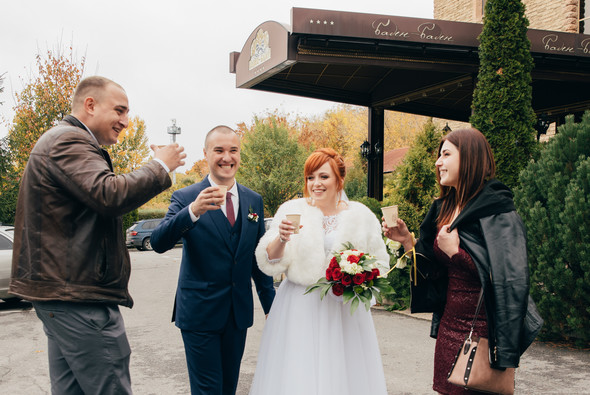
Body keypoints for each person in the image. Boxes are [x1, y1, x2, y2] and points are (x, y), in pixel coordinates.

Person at [9, 75, 186, 394]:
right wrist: (160, 166)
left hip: (64, 295)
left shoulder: (61, 141)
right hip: (78, 298)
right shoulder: (69, 141)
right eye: (119, 110)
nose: (126, 121)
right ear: (90, 105)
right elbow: (110, 194)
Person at [383, 128, 543, 394]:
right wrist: (407, 242)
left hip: (483, 330)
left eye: (446, 154)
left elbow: (509, 279)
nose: (438, 162)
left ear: (468, 158)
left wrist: (456, 253)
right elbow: (434, 271)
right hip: (449, 326)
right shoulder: (443, 207)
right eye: (439, 156)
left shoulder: (498, 210)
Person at [249, 148, 389, 395]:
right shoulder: (292, 209)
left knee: (346, 375)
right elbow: (271, 261)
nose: (316, 183)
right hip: (299, 305)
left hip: (345, 309)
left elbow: (379, 263)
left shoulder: (361, 215)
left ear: (339, 179)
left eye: (323, 176)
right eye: (310, 177)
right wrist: (281, 238)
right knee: (298, 374)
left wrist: (358, 277)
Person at [150, 125, 275, 395]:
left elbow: (257, 258)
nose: (226, 157)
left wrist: (271, 306)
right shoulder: (185, 197)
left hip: (237, 313)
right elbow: (159, 242)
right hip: (199, 313)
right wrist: (192, 211)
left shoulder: (253, 200)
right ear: (206, 153)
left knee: (228, 388)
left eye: (233, 150)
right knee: (208, 390)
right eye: (219, 150)